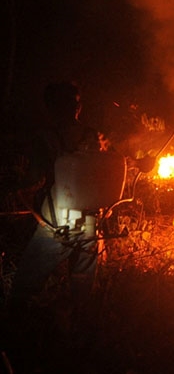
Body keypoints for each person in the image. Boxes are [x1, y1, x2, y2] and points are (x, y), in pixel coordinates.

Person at [8, 81, 110, 310]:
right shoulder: (94, 136)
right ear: (78, 107)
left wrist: (17, 182)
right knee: (82, 291)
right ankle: (77, 334)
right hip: (90, 222)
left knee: (24, 288)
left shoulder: (44, 138)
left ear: (50, 107)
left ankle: (15, 333)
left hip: (56, 223)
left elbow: (34, 178)